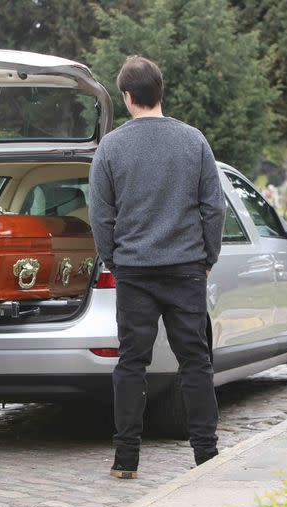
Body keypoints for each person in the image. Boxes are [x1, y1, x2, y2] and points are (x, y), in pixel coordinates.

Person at [89, 55, 226, 479]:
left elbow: (100, 214)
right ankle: (206, 455)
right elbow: (212, 207)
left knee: (131, 363)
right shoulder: (194, 141)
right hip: (186, 266)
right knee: (196, 361)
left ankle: (125, 459)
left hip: (134, 271)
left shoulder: (110, 146)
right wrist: (208, 256)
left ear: (127, 97)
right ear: (159, 92)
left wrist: (115, 257)